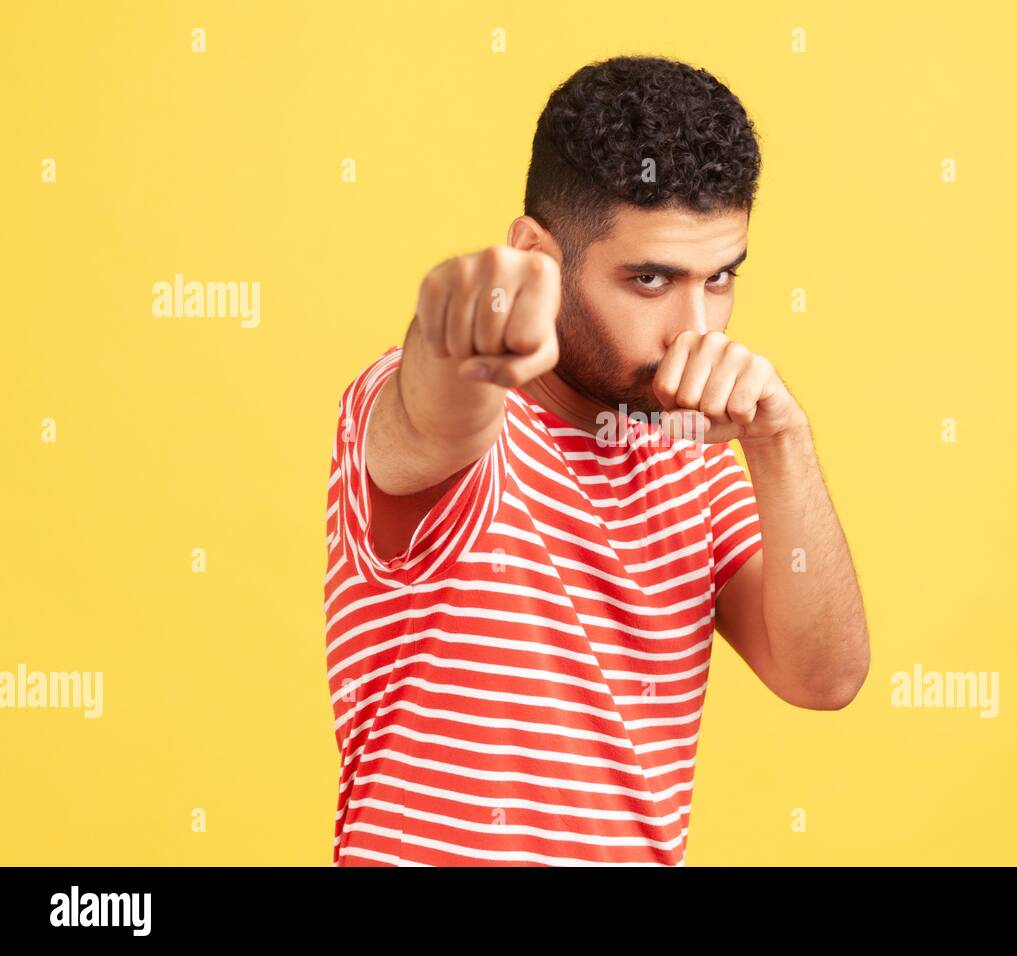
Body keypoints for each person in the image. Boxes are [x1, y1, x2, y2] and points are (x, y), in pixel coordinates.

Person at [323, 55, 869, 866]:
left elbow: (823, 679)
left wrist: (779, 439)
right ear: (536, 257)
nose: (698, 329)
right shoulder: (443, 421)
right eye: (650, 279)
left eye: (720, 278)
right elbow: (436, 419)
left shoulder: (694, 454)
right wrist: (469, 326)